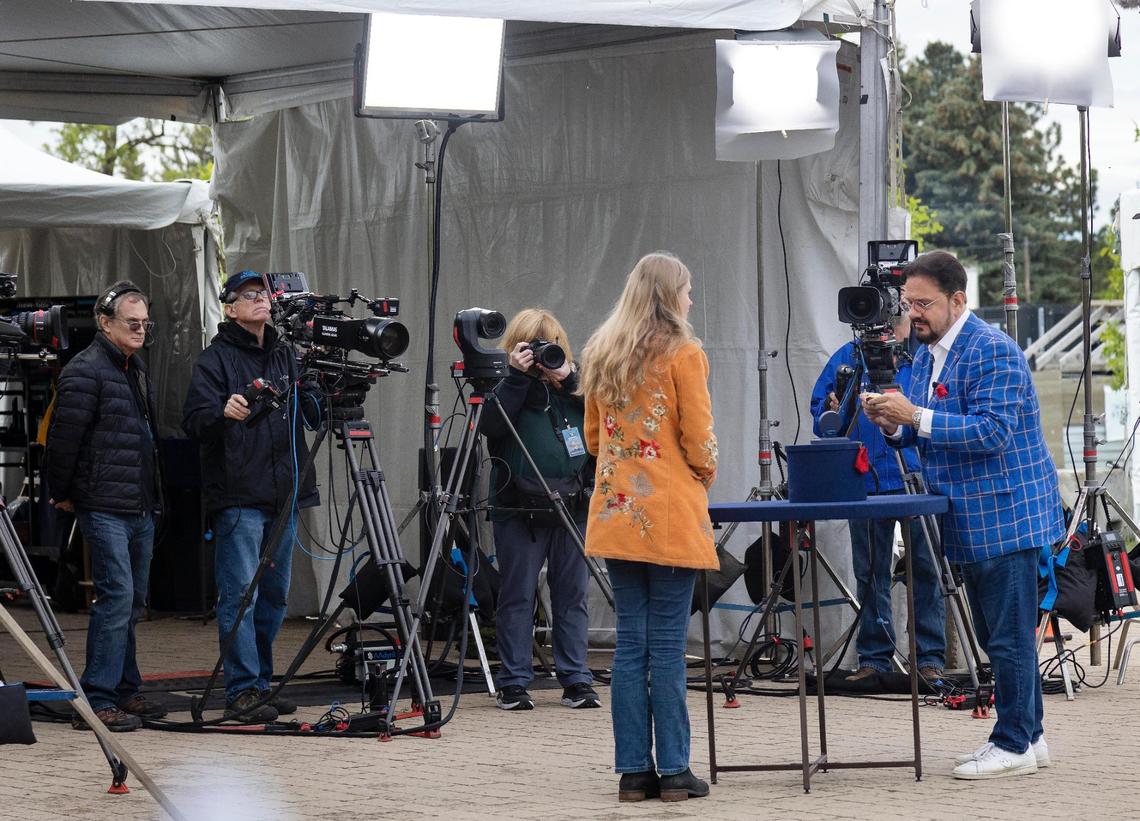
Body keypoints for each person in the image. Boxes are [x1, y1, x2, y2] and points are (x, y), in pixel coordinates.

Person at [862, 250, 1064, 780]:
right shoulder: (930, 354)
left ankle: (1012, 742)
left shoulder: (991, 350)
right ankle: (1031, 737)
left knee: (1007, 638)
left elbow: (991, 433)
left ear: (958, 300)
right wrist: (891, 422)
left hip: (1006, 516)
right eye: (908, 304)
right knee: (1002, 635)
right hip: (971, 518)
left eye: (924, 303)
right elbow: (926, 428)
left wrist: (917, 416)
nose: (914, 315)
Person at [579, 251, 718, 803]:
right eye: (686, 289)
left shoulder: (601, 352)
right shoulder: (684, 353)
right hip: (668, 513)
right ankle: (676, 770)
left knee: (629, 644)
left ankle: (633, 771)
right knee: (666, 645)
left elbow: (593, 440)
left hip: (616, 511)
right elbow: (699, 437)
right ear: (668, 294)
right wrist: (701, 475)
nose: (690, 298)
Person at [183, 270, 318, 723]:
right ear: (230, 306)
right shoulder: (214, 360)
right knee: (240, 594)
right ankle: (241, 688)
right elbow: (195, 423)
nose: (261, 301)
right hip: (239, 496)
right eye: (250, 295)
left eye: (265, 294)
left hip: (283, 494)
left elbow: (315, 412)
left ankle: (260, 682)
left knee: (275, 596)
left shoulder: (286, 354)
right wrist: (223, 412)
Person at [45, 281, 166, 732]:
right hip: (105, 504)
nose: (140, 330)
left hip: (138, 504)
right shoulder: (86, 370)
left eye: (144, 323)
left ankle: (124, 690)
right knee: (117, 598)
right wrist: (63, 493)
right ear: (104, 323)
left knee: (132, 601)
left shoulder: (133, 368)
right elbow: (63, 440)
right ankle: (98, 698)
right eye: (131, 323)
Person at [810, 314, 946, 684]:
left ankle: (930, 658)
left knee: (926, 569)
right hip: (866, 478)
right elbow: (822, 419)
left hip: (918, 477)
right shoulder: (850, 357)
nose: (885, 325)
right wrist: (833, 405)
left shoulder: (927, 357)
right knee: (869, 573)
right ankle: (874, 658)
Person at [479, 308, 600, 712]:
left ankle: (576, 679)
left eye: (550, 346)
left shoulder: (578, 385)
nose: (543, 354)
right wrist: (516, 377)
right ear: (514, 348)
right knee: (516, 595)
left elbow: (604, 416)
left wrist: (567, 378)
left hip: (572, 504)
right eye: (532, 346)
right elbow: (490, 429)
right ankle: (513, 681)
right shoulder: (502, 383)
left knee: (572, 595)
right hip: (518, 508)